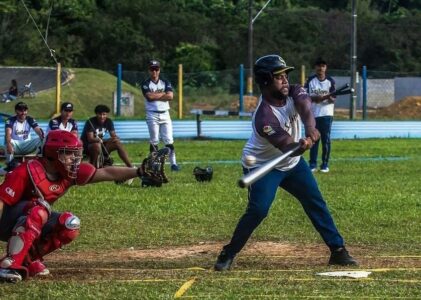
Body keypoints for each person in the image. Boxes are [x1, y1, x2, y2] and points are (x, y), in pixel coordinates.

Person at [214, 54, 357, 271]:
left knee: (315, 201)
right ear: (265, 81)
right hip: (263, 166)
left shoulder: (294, 90)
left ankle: (338, 250)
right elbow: (287, 146)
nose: (285, 80)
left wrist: (310, 129)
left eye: (285, 75)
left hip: (292, 165)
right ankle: (229, 252)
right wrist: (299, 145)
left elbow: (306, 107)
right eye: (278, 76)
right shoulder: (265, 117)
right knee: (259, 210)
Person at [0, 130, 168, 283]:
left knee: (69, 224)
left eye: (76, 155)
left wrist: (139, 171)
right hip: (7, 222)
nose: (74, 160)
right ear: (52, 154)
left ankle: (28, 259)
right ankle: (8, 265)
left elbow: (106, 173)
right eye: (69, 154)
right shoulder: (25, 171)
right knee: (40, 209)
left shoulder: (67, 173)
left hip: (35, 219)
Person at [141, 59, 180, 171]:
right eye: (152, 69)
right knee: (154, 140)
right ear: (149, 70)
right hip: (152, 114)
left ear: (159, 70)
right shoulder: (145, 83)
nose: (154, 72)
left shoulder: (165, 82)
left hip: (165, 114)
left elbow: (171, 96)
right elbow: (149, 97)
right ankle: (153, 163)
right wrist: (163, 94)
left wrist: (156, 95)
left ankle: (173, 164)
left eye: (156, 69)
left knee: (169, 140)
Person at [304, 58, 336, 173]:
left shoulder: (330, 81)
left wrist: (329, 97)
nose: (320, 68)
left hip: (326, 114)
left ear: (325, 68)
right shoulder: (310, 81)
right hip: (313, 115)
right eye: (318, 66)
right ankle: (312, 164)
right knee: (313, 139)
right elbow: (305, 96)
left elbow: (333, 98)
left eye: (323, 66)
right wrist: (315, 98)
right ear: (315, 68)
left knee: (325, 140)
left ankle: (325, 165)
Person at [81, 104, 133, 170]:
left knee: (117, 143)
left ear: (107, 114)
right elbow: (90, 139)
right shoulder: (90, 121)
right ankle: (94, 168)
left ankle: (130, 167)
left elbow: (113, 135)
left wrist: (116, 138)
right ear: (96, 114)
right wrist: (105, 140)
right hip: (88, 147)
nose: (102, 117)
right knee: (96, 145)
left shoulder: (109, 121)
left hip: (100, 145)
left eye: (104, 114)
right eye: (100, 114)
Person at [1, 102, 44, 174]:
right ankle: (10, 166)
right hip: (15, 146)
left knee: (42, 139)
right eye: (20, 110)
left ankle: (40, 163)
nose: (23, 112)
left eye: (25, 110)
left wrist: (41, 135)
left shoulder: (30, 119)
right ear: (16, 111)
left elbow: (38, 129)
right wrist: (8, 143)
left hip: (27, 145)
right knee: (8, 141)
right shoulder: (10, 120)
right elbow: (8, 133)